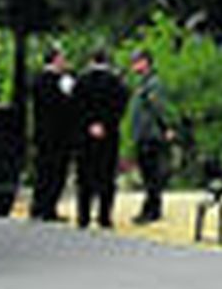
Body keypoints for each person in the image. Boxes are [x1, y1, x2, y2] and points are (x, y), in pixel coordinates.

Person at [73, 49, 129, 229]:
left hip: (85, 135)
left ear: (91, 60)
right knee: (106, 175)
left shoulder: (81, 81)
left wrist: (90, 124)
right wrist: (105, 124)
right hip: (109, 134)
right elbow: (121, 106)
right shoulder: (116, 82)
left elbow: (74, 106)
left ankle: (83, 216)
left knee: (84, 175)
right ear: (107, 61)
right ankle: (104, 217)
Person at [30, 46, 77, 222]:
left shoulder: (37, 80)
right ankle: (49, 209)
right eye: (62, 58)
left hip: (42, 134)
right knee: (56, 173)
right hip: (58, 135)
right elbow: (64, 108)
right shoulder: (59, 81)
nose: (64, 62)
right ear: (56, 60)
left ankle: (37, 207)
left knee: (42, 172)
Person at [128, 49, 175, 225]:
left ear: (146, 62)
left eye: (136, 61)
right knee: (147, 174)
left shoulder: (153, 84)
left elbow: (159, 108)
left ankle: (151, 210)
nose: (133, 65)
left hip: (151, 135)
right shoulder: (142, 83)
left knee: (151, 175)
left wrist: (166, 127)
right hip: (142, 134)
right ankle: (152, 209)